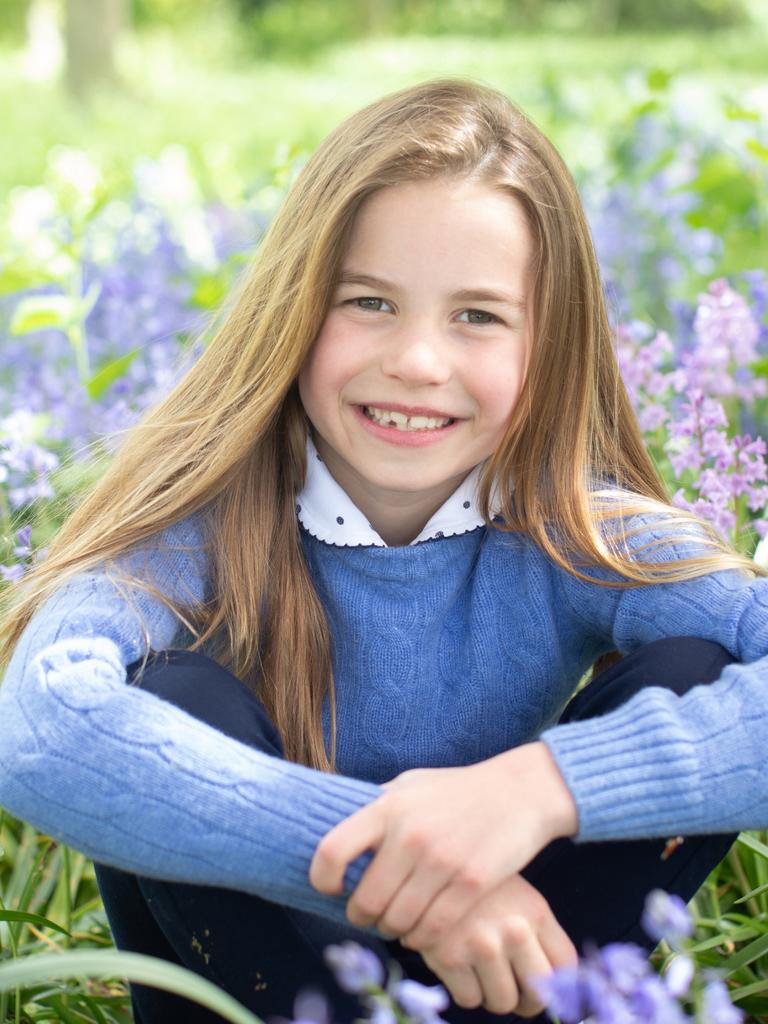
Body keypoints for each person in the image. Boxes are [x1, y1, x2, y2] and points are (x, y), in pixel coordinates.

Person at [0, 77, 762, 1024]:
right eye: (369, 301)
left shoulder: (577, 530)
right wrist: (401, 870)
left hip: (501, 990)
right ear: (295, 308)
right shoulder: (197, 527)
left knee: (698, 667)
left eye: (477, 315)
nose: (417, 361)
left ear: (548, 343)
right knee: (172, 700)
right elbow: (39, 729)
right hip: (276, 990)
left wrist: (534, 790)